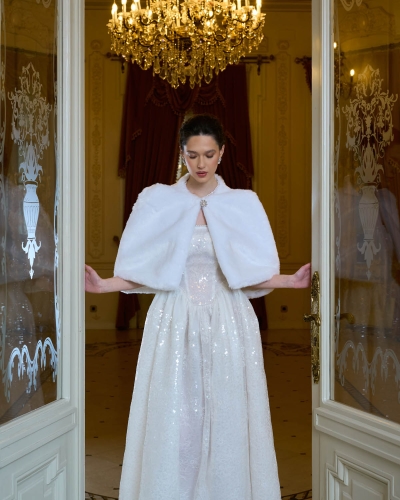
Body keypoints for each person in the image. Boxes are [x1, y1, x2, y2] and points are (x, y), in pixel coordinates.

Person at [85, 114, 311, 500]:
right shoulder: (158, 200)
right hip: (173, 319)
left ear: (222, 153)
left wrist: (291, 281)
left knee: (227, 414)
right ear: (182, 154)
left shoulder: (243, 204)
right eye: (192, 155)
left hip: (229, 322)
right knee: (177, 416)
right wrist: (104, 285)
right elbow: (147, 269)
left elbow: (248, 272)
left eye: (208, 154)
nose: (201, 164)